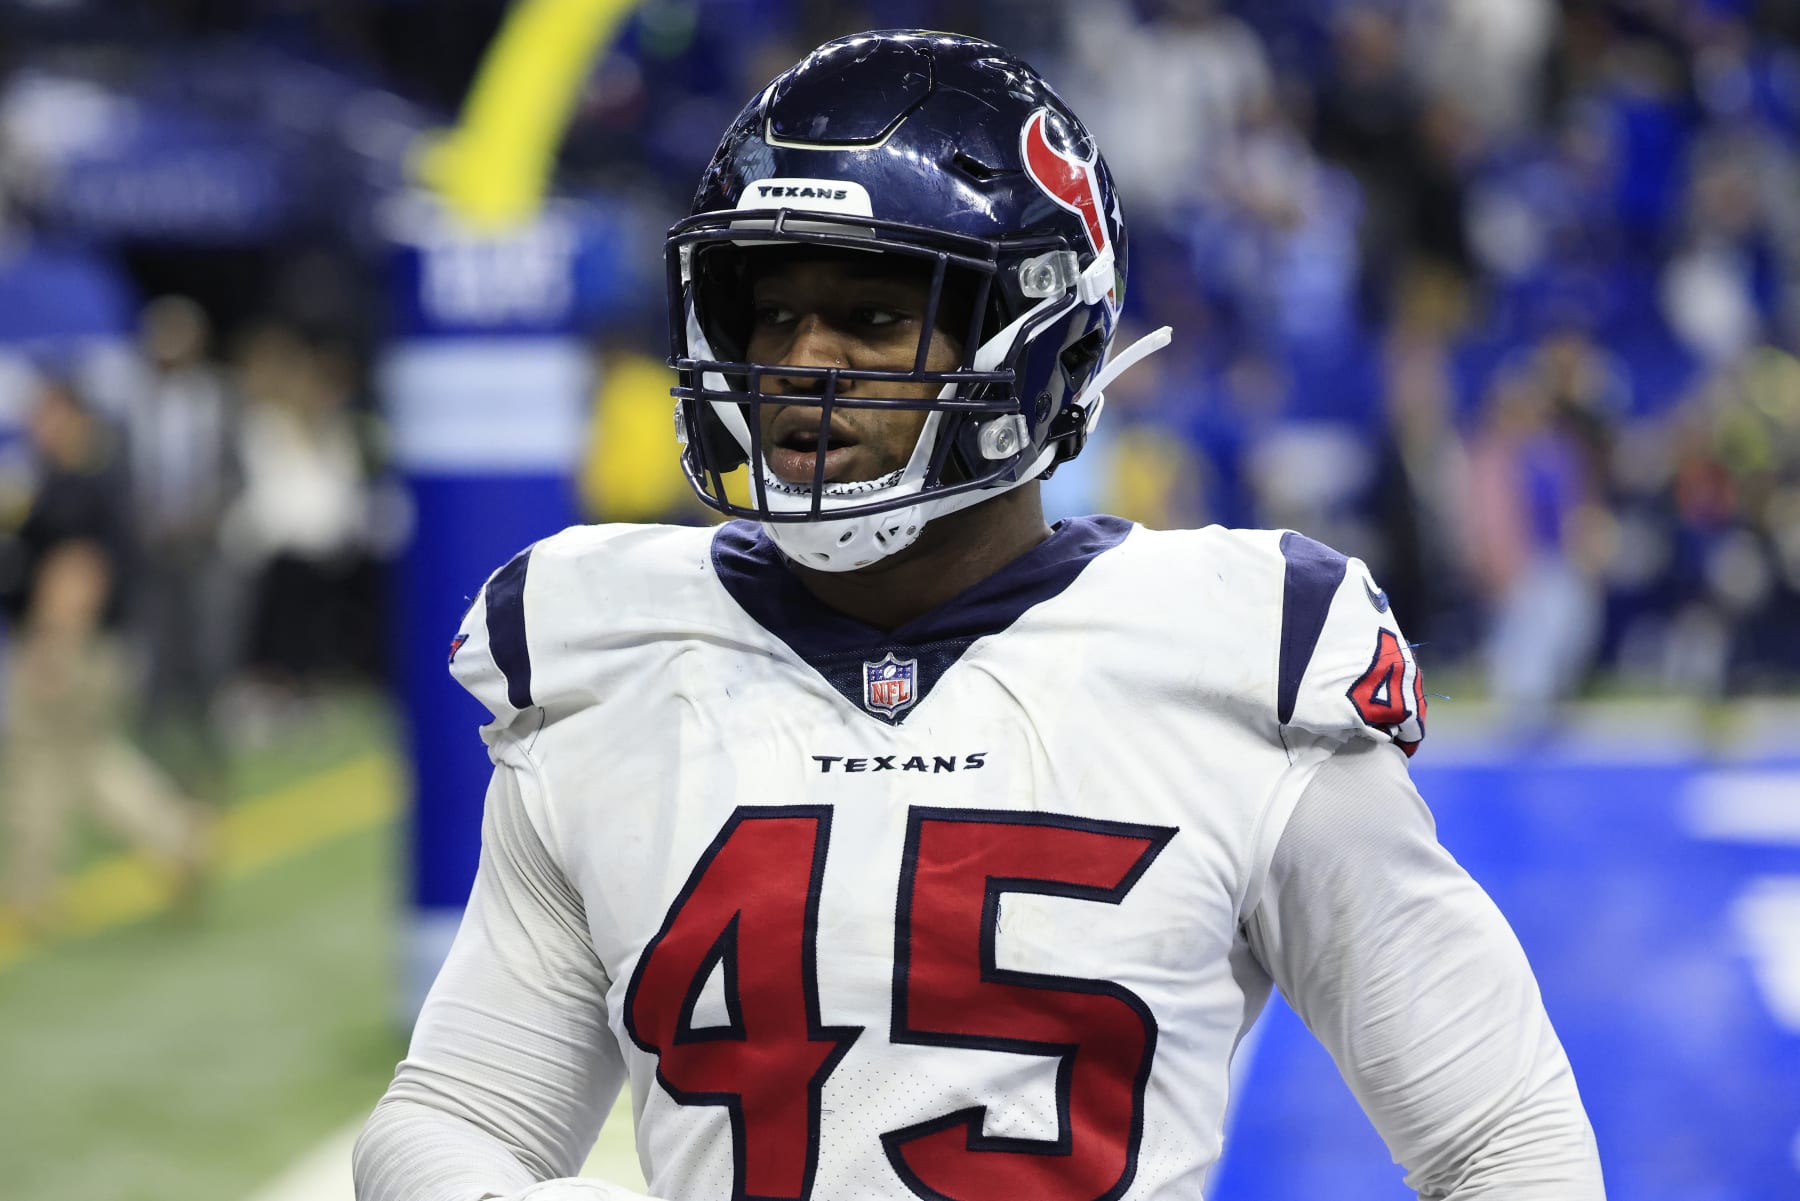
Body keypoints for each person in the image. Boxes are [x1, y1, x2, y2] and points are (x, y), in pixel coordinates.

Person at [355, 31, 1605, 1201]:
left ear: (1041, 345)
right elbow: (459, 1115)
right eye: (772, 312)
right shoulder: (607, 655)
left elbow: (1502, 1139)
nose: (803, 364)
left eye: (876, 317)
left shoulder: (1242, 658)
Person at [1, 376, 209, 927]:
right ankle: (177, 837)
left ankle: (32, 891)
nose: (33, 426)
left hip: (69, 644)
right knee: (83, 761)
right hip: (97, 645)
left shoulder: (75, 485)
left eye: (44, 415)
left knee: (39, 761)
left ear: (72, 417)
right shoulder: (96, 477)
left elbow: (77, 572)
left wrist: (51, 645)